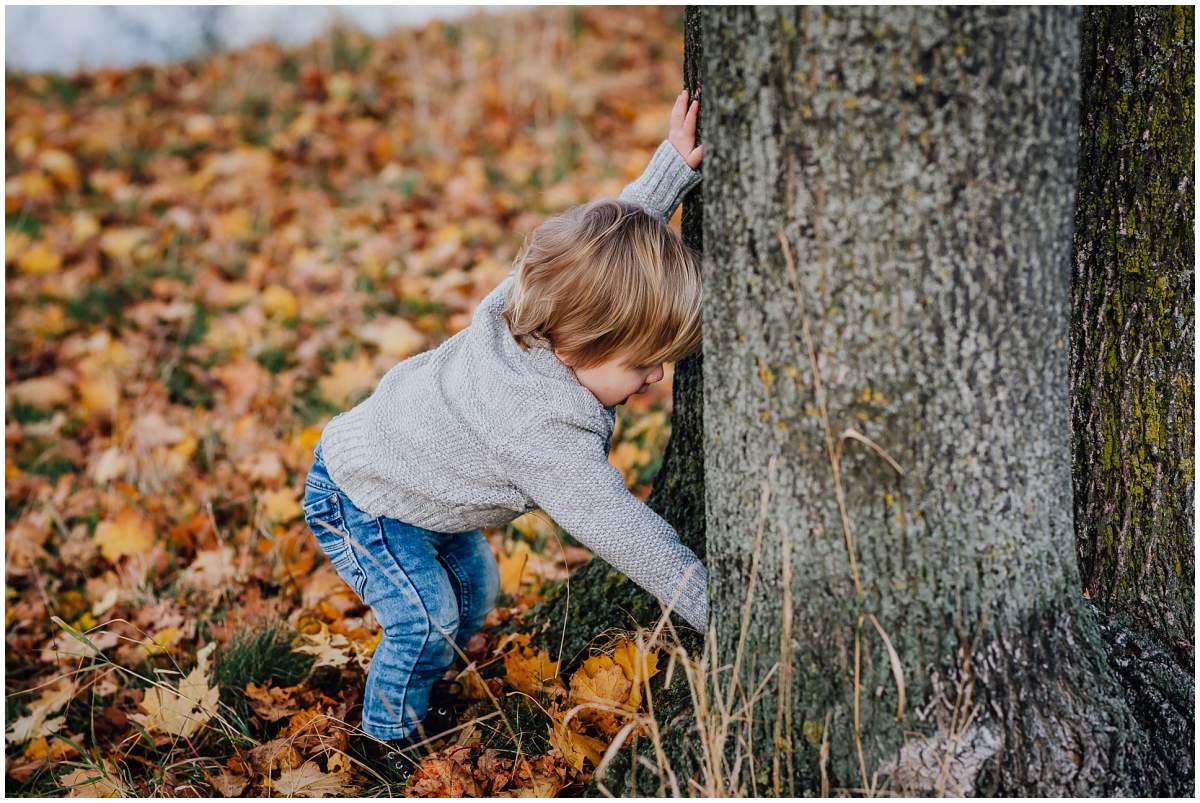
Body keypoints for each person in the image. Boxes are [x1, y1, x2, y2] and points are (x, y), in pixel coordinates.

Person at [302, 89, 706, 773]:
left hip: (421, 482)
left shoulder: (532, 299)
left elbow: (604, 251)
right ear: (577, 344)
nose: (658, 378)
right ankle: (384, 737)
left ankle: (423, 681)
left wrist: (671, 169)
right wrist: (716, 607)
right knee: (425, 620)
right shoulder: (542, 433)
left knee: (475, 599)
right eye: (641, 363)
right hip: (359, 495)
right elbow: (628, 534)